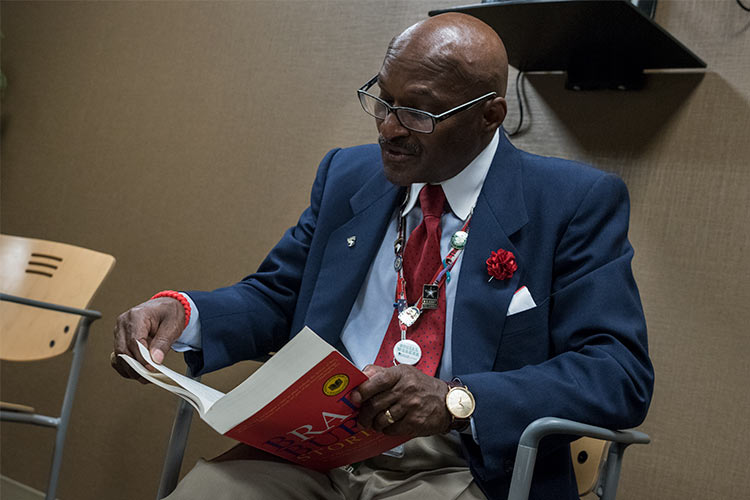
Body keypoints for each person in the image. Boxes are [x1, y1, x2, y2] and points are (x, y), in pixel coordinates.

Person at [112, 12, 653, 500]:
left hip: (461, 466)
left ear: (490, 115)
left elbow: (617, 373)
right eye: (384, 99)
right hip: (317, 451)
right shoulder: (348, 176)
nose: (389, 128)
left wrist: (456, 399)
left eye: (418, 111)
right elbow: (280, 296)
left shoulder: (572, 203)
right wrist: (185, 314)